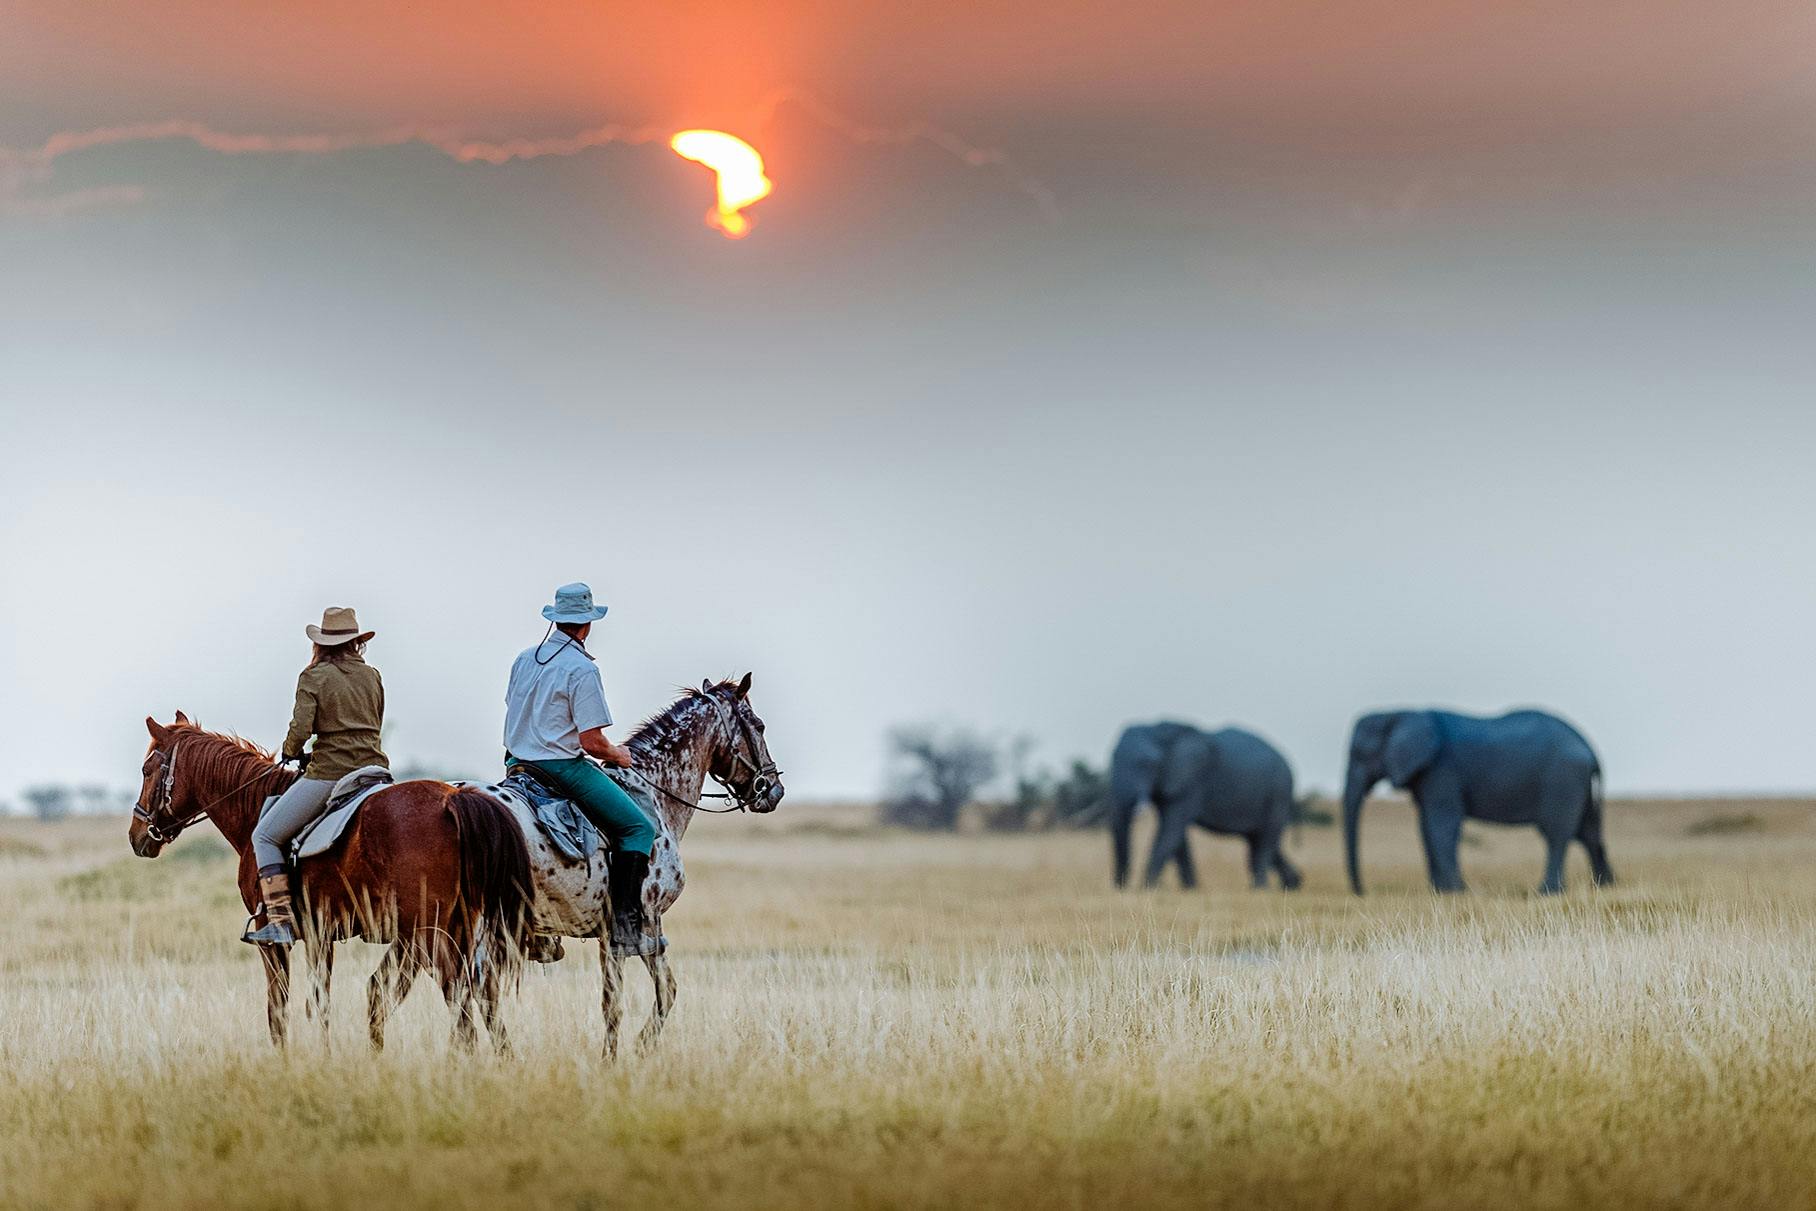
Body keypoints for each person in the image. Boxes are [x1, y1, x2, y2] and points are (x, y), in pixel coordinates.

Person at [504, 582, 659, 956]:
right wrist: (618, 755)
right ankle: (625, 927)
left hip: (515, 765)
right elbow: (591, 743)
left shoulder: (525, 658)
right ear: (587, 625)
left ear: (556, 620)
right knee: (639, 828)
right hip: (560, 768)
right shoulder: (581, 669)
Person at [243, 606, 389, 946]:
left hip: (329, 774)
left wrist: (290, 751)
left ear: (322, 643)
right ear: (356, 642)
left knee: (264, 836)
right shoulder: (373, 676)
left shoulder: (314, 676)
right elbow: (374, 724)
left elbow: (300, 730)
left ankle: (279, 921)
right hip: (375, 771)